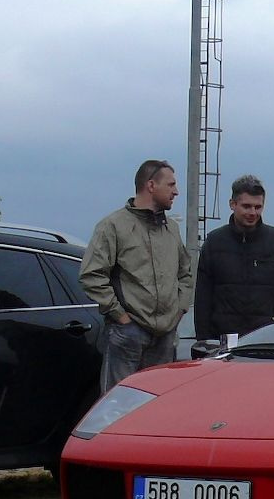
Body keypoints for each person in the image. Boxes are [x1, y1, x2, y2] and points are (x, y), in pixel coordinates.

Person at [80, 159, 194, 392]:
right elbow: (91, 275)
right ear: (151, 185)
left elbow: (186, 273)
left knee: (155, 406)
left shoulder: (171, 228)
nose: (176, 191)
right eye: (171, 184)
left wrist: (179, 310)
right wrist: (120, 316)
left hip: (165, 335)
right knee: (117, 405)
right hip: (128, 334)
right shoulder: (113, 226)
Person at [194, 174, 274, 341]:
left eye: (258, 207)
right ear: (233, 204)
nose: (253, 212)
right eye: (246, 206)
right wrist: (204, 342)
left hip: (269, 342)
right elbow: (203, 300)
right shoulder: (214, 243)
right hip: (224, 342)